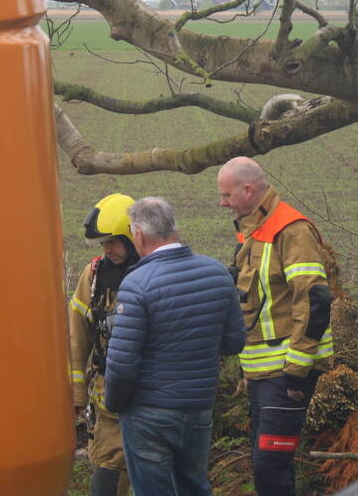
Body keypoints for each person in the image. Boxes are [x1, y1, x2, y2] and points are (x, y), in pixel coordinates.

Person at [103, 196, 245, 496]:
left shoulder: (137, 284)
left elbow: (122, 365)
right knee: (194, 487)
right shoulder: (217, 273)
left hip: (147, 413)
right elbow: (234, 342)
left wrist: (114, 404)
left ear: (138, 234)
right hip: (198, 408)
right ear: (174, 228)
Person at [217, 156, 334, 496]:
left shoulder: (291, 230)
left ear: (247, 190)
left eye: (226, 195)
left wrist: (297, 368)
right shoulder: (253, 231)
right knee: (264, 464)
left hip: (287, 374)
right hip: (263, 373)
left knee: (271, 465)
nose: (222, 203)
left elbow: (314, 299)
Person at [68, 193, 141, 496]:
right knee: (108, 471)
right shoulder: (95, 276)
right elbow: (77, 336)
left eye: (113, 242)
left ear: (132, 237)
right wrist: (77, 392)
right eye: (103, 244)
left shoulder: (157, 271)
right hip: (109, 397)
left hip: (152, 397)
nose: (107, 250)